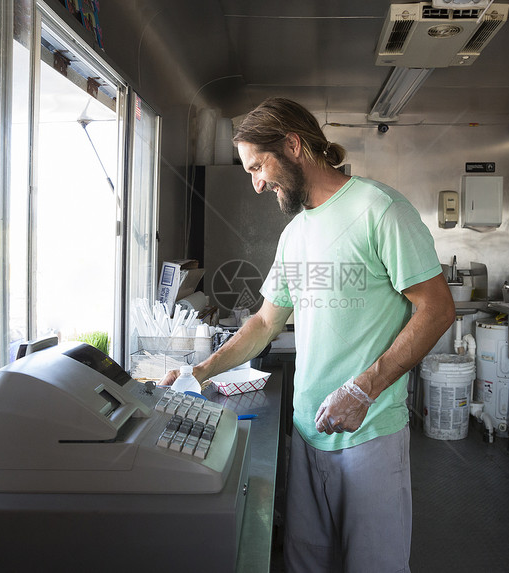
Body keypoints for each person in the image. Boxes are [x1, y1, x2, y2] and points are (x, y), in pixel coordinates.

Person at [161, 97, 455, 572]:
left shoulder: (379, 209)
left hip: (369, 436)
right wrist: (201, 370)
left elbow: (438, 309)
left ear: (294, 146)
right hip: (306, 433)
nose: (257, 185)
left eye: (260, 166)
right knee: (305, 563)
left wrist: (364, 387)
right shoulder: (296, 233)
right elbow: (264, 322)